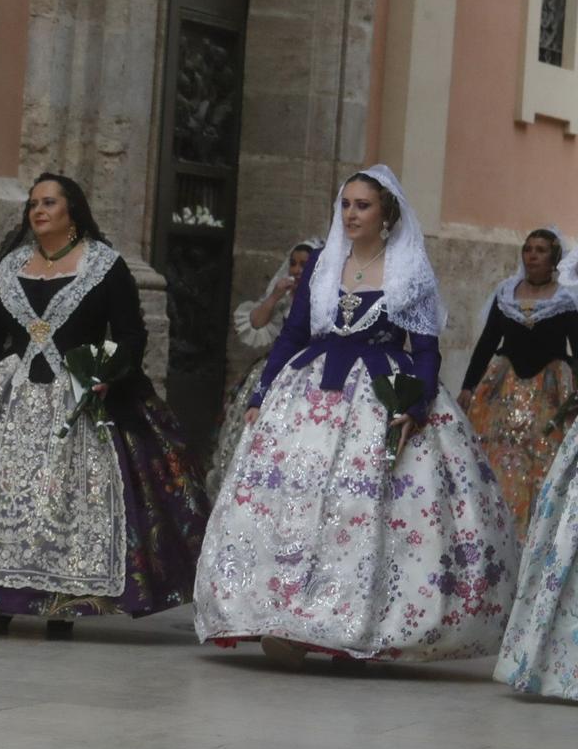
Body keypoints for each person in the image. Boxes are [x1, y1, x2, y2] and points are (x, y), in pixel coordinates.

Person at [195, 166, 516, 666]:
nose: (350, 214)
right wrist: (263, 391)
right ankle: (284, 618)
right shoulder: (323, 264)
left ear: (386, 213)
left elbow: (426, 350)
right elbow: (293, 334)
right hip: (309, 396)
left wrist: (415, 403)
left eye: (362, 206)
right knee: (290, 500)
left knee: (363, 510)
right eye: (345, 204)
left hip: (378, 396)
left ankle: (361, 621)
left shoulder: (410, 268)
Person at [0, 173, 207, 638]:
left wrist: (106, 372)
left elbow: (130, 333)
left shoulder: (104, 266)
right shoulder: (10, 266)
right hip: (13, 395)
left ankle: (63, 600)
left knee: (63, 495)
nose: (37, 211)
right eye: (32, 204)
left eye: (48, 203)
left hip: (76, 397)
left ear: (72, 211)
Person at [458, 229, 577, 534]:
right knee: (497, 455)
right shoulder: (506, 295)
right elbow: (486, 343)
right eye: (528, 249)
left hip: (548, 391)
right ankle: (493, 524)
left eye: (540, 250)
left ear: (553, 259)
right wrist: (468, 386)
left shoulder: (565, 301)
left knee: (540, 457)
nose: (532, 255)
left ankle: (535, 528)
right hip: (503, 388)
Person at [208, 238, 321, 494]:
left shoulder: (320, 297)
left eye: (304, 264)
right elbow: (256, 324)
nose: (296, 269)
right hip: (274, 367)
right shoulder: (284, 297)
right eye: (293, 263)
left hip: (307, 369)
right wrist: (275, 296)